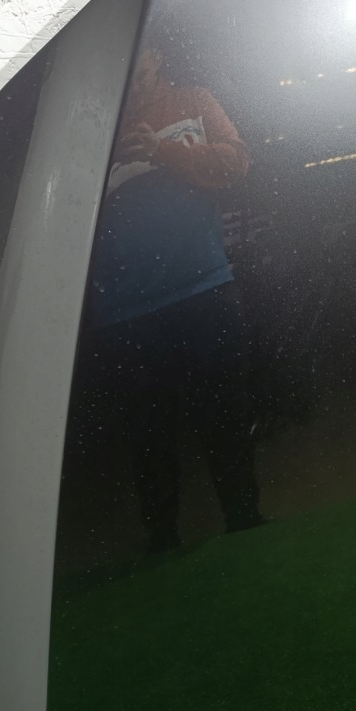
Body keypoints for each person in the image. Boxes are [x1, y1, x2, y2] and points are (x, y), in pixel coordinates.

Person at [72, 42, 263, 553]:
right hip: (125, 311)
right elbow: (60, 208)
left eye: (142, 64)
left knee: (224, 414)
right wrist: (102, 160)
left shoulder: (194, 100)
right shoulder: (87, 122)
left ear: (155, 54)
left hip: (206, 286)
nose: (135, 76)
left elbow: (237, 163)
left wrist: (161, 150)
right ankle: (162, 542)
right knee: (148, 432)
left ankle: (246, 521)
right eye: (124, 65)